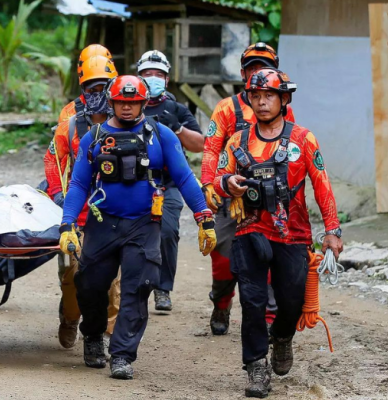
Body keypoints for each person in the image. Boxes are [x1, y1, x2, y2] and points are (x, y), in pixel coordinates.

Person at [59, 75, 216, 380]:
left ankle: (121, 355)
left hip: (145, 224)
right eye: (121, 102)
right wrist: (67, 224)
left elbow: (184, 177)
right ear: (112, 102)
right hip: (102, 222)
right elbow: (78, 183)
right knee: (89, 284)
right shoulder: (94, 136)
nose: (127, 108)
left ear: (143, 103)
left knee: (138, 287)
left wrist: (203, 216)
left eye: (133, 102)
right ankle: (92, 334)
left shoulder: (162, 135)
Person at [212, 68, 343, 397]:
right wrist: (227, 183)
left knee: (293, 301)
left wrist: (332, 230)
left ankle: (283, 337)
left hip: (294, 235)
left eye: (269, 95)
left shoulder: (303, 139)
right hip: (248, 231)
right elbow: (216, 178)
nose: (261, 102)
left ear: (284, 99)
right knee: (253, 302)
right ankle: (256, 367)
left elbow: (322, 185)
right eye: (255, 96)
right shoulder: (237, 141)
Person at [201, 42, 295, 335]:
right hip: (232, 197)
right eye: (253, 67)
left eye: (264, 67)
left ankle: (267, 322)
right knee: (224, 260)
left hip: (269, 198)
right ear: (243, 73)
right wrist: (210, 188)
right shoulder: (227, 109)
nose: (258, 72)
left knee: (269, 257)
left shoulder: (283, 109)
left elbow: (294, 150)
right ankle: (222, 301)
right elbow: (210, 151)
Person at [43, 53, 120, 349]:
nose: (98, 94)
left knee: (115, 282)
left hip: (117, 213)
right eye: (92, 88)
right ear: (82, 88)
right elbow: (52, 158)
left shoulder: (128, 119)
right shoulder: (72, 122)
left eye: (104, 86)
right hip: (82, 213)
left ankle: (106, 337)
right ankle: (71, 317)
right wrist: (57, 194)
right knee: (77, 275)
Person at [136, 49, 204, 313]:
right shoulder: (126, 105)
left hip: (169, 183)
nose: (153, 78)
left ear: (167, 79)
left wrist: (177, 127)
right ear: (138, 76)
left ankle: (162, 288)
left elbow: (200, 145)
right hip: (134, 181)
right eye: (147, 74)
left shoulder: (176, 109)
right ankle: (132, 285)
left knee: (167, 231)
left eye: (158, 74)